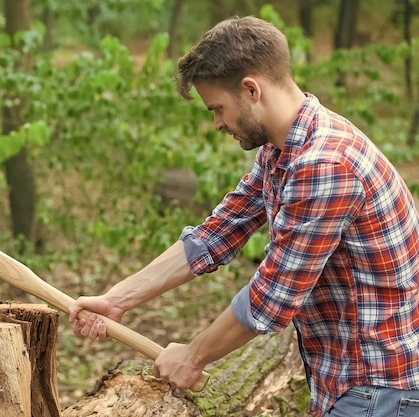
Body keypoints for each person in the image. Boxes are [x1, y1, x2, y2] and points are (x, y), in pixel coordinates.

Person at [67, 15, 419, 417]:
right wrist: (116, 300)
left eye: (217, 108)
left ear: (251, 89)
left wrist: (193, 355)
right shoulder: (280, 150)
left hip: (380, 392)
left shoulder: (325, 163)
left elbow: (271, 300)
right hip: (349, 384)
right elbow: (215, 235)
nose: (217, 123)